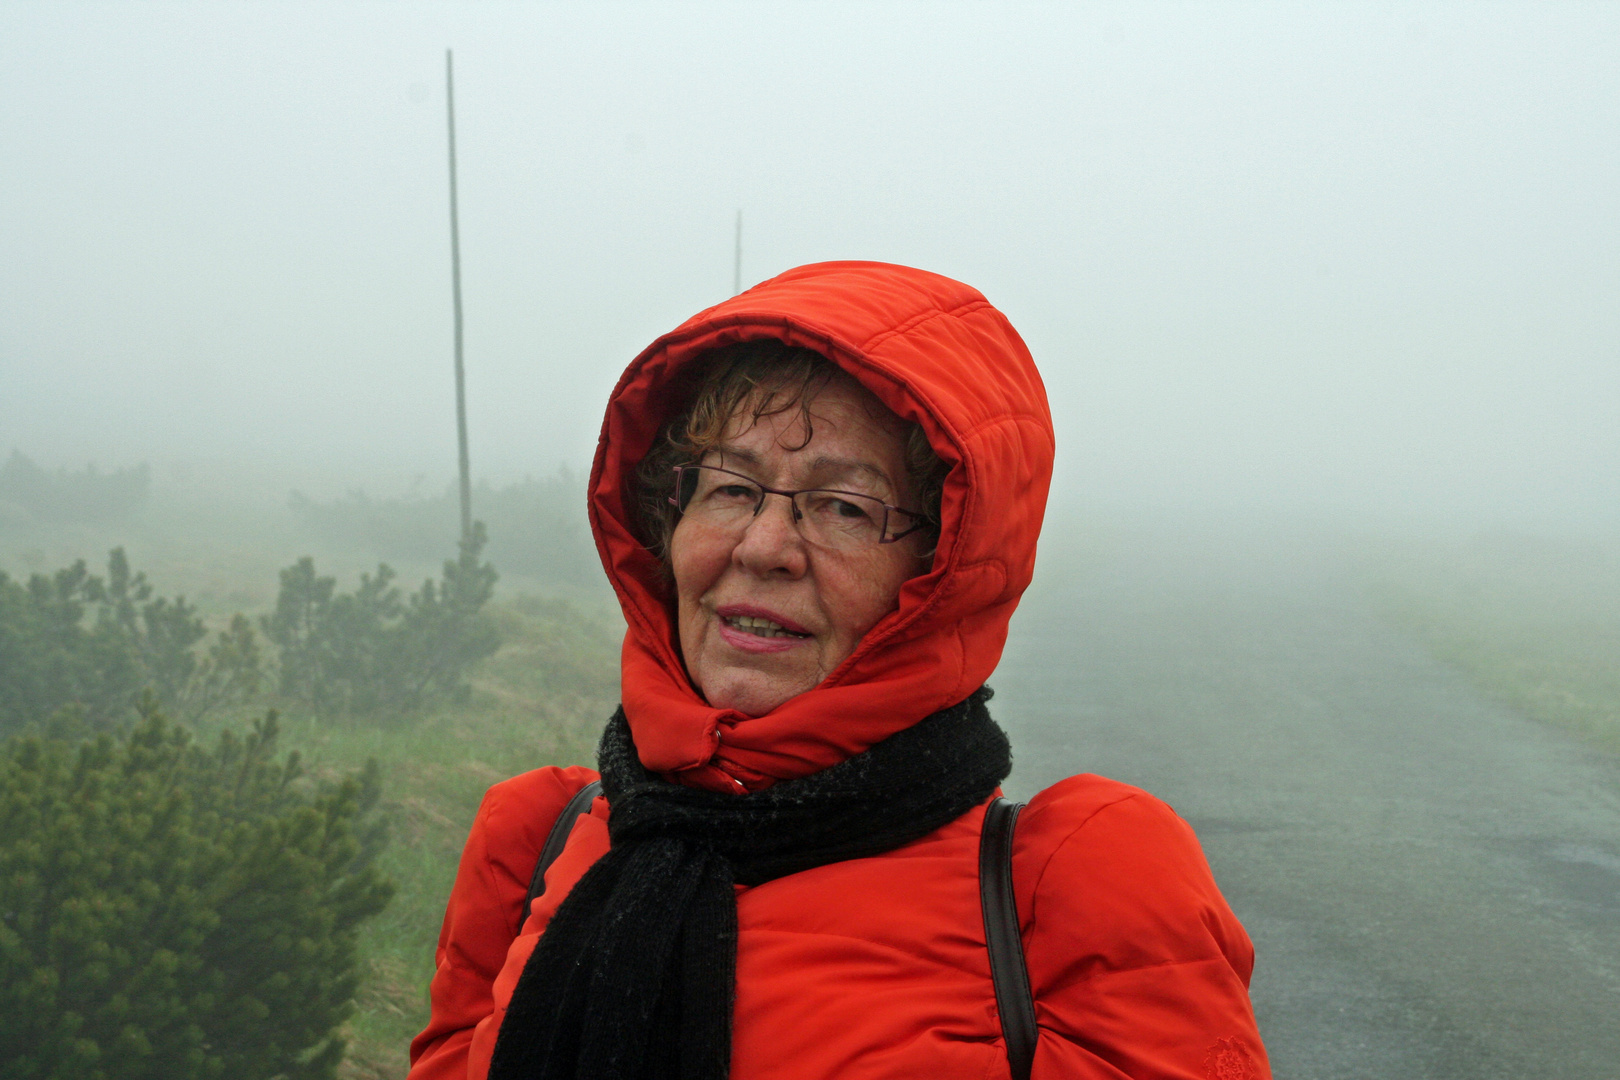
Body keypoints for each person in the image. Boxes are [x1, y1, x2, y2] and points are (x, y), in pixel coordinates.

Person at [407, 261, 1270, 1080]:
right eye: (730, 488)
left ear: (942, 574)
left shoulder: (1076, 887)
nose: (765, 547)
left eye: (845, 507)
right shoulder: (533, 845)